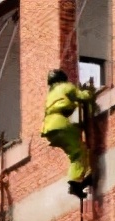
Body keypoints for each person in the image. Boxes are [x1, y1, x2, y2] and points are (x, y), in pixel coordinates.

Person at [41, 69, 97, 198]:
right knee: (79, 151)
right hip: (61, 124)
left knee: (73, 154)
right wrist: (90, 91)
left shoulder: (51, 94)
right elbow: (83, 97)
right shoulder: (66, 87)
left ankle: (78, 179)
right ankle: (77, 180)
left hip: (49, 129)